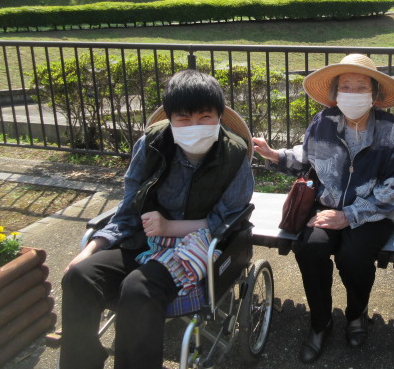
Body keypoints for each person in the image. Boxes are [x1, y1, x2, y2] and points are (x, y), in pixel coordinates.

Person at [60, 69, 254, 369]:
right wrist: (89, 250)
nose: (195, 126)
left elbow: (227, 218)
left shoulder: (234, 154)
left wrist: (170, 227)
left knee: (138, 288)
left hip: (198, 243)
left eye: (205, 117)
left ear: (219, 116)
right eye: (184, 119)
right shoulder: (151, 145)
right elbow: (129, 207)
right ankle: (83, 361)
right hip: (145, 238)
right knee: (79, 277)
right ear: (171, 119)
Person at [253, 54, 394, 363]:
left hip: (374, 212)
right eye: (345, 86)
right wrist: (274, 155)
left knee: (354, 255)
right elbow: (306, 156)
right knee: (309, 248)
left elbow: (393, 189)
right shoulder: (323, 121)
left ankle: (356, 313)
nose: (352, 93)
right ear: (335, 93)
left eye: (360, 86)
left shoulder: (391, 130)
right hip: (327, 204)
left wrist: (349, 216)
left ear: (374, 94)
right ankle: (320, 321)